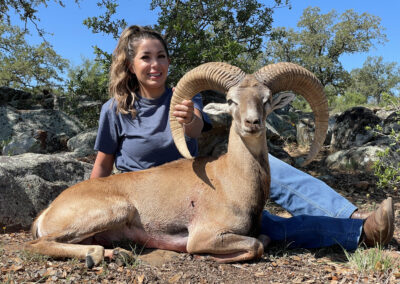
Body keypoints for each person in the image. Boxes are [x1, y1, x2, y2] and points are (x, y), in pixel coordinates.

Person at [91, 25, 394, 251]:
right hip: (149, 193)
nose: (155, 64)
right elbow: (103, 166)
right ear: (131, 64)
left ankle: (351, 214)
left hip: (194, 181)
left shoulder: (183, 98)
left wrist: (189, 119)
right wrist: (91, 199)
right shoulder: (115, 109)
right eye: (146, 57)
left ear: (169, 62)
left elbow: (195, 129)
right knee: (263, 224)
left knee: (262, 165)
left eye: (162, 56)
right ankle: (359, 232)